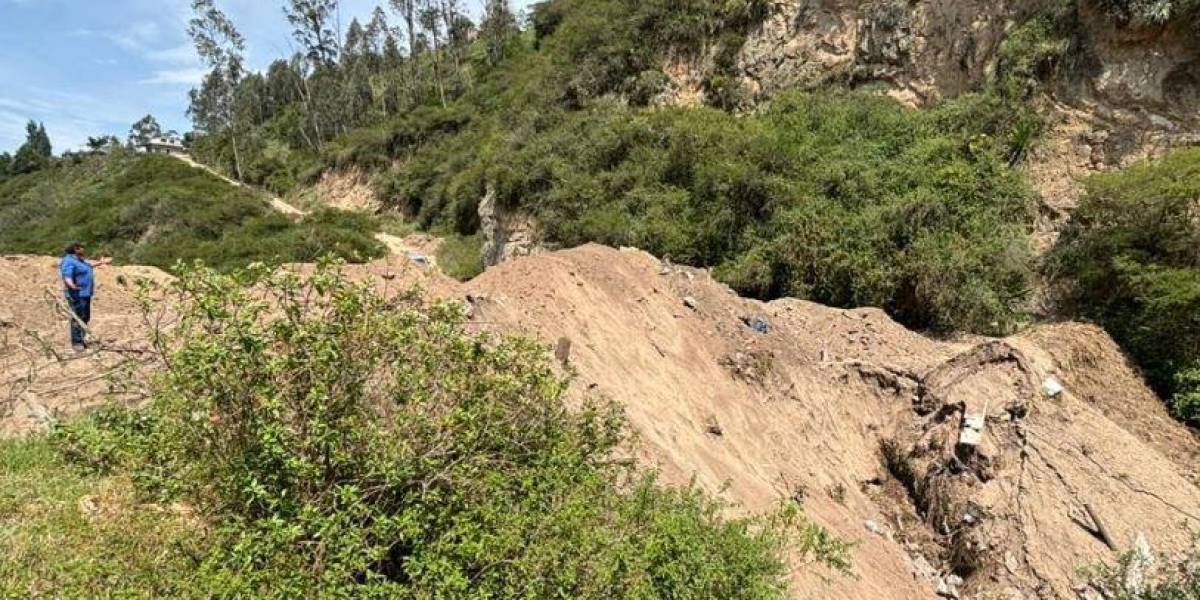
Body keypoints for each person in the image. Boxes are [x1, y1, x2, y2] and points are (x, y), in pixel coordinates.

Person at [60, 242, 99, 352]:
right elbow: (67, 275)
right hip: (77, 294)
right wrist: (72, 285)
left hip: (86, 293)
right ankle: (77, 342)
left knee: (85, 316)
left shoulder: (79, 259)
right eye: (82, 248)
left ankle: (82, 338)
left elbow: (89, 265)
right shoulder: (68, 261)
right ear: (76, 249)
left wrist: (101, 262)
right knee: (77, 317)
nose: (84, 249)